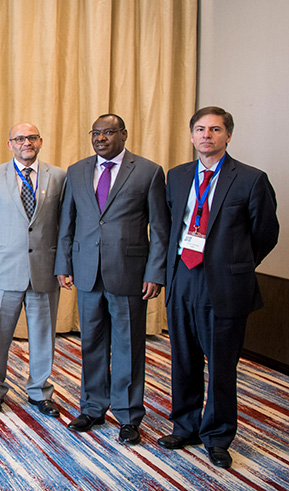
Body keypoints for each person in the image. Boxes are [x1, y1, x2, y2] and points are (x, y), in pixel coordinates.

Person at [159, 107, 278, 468]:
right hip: (183, 277)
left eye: (215, 129)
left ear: (228, 135)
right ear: (192, 135)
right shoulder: (177, 176)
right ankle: (186, 426)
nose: (206, 135)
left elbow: (265, 234)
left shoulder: (251, 179)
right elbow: (169, 225)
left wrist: (235, 264)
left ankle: (218, 434)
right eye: (199, 129)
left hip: (225, 284)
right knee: (183, 356)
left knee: (222, 363)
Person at [55, 114, 169, 444]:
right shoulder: (76, 171)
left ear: (124, 135)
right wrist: (64, 264)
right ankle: (92, 407)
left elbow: (160, 230)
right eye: (96, 133)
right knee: (91, 342)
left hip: (129, 273)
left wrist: (155, 272)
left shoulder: (148, 171)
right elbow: (68, 222)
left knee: (128, 345)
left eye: (108, 132)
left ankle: (128, 415)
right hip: (87, 272)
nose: (101, 138)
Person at [0, 123, 65, 416]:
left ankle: (40, 392)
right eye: (19, 138)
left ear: (40, 141)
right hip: (5, 268)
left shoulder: (59, 177)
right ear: (9, 143)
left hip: (45, 268)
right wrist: (8, 246)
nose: (25, 143)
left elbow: (62, 225)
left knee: (43, 334)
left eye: (31, 137)